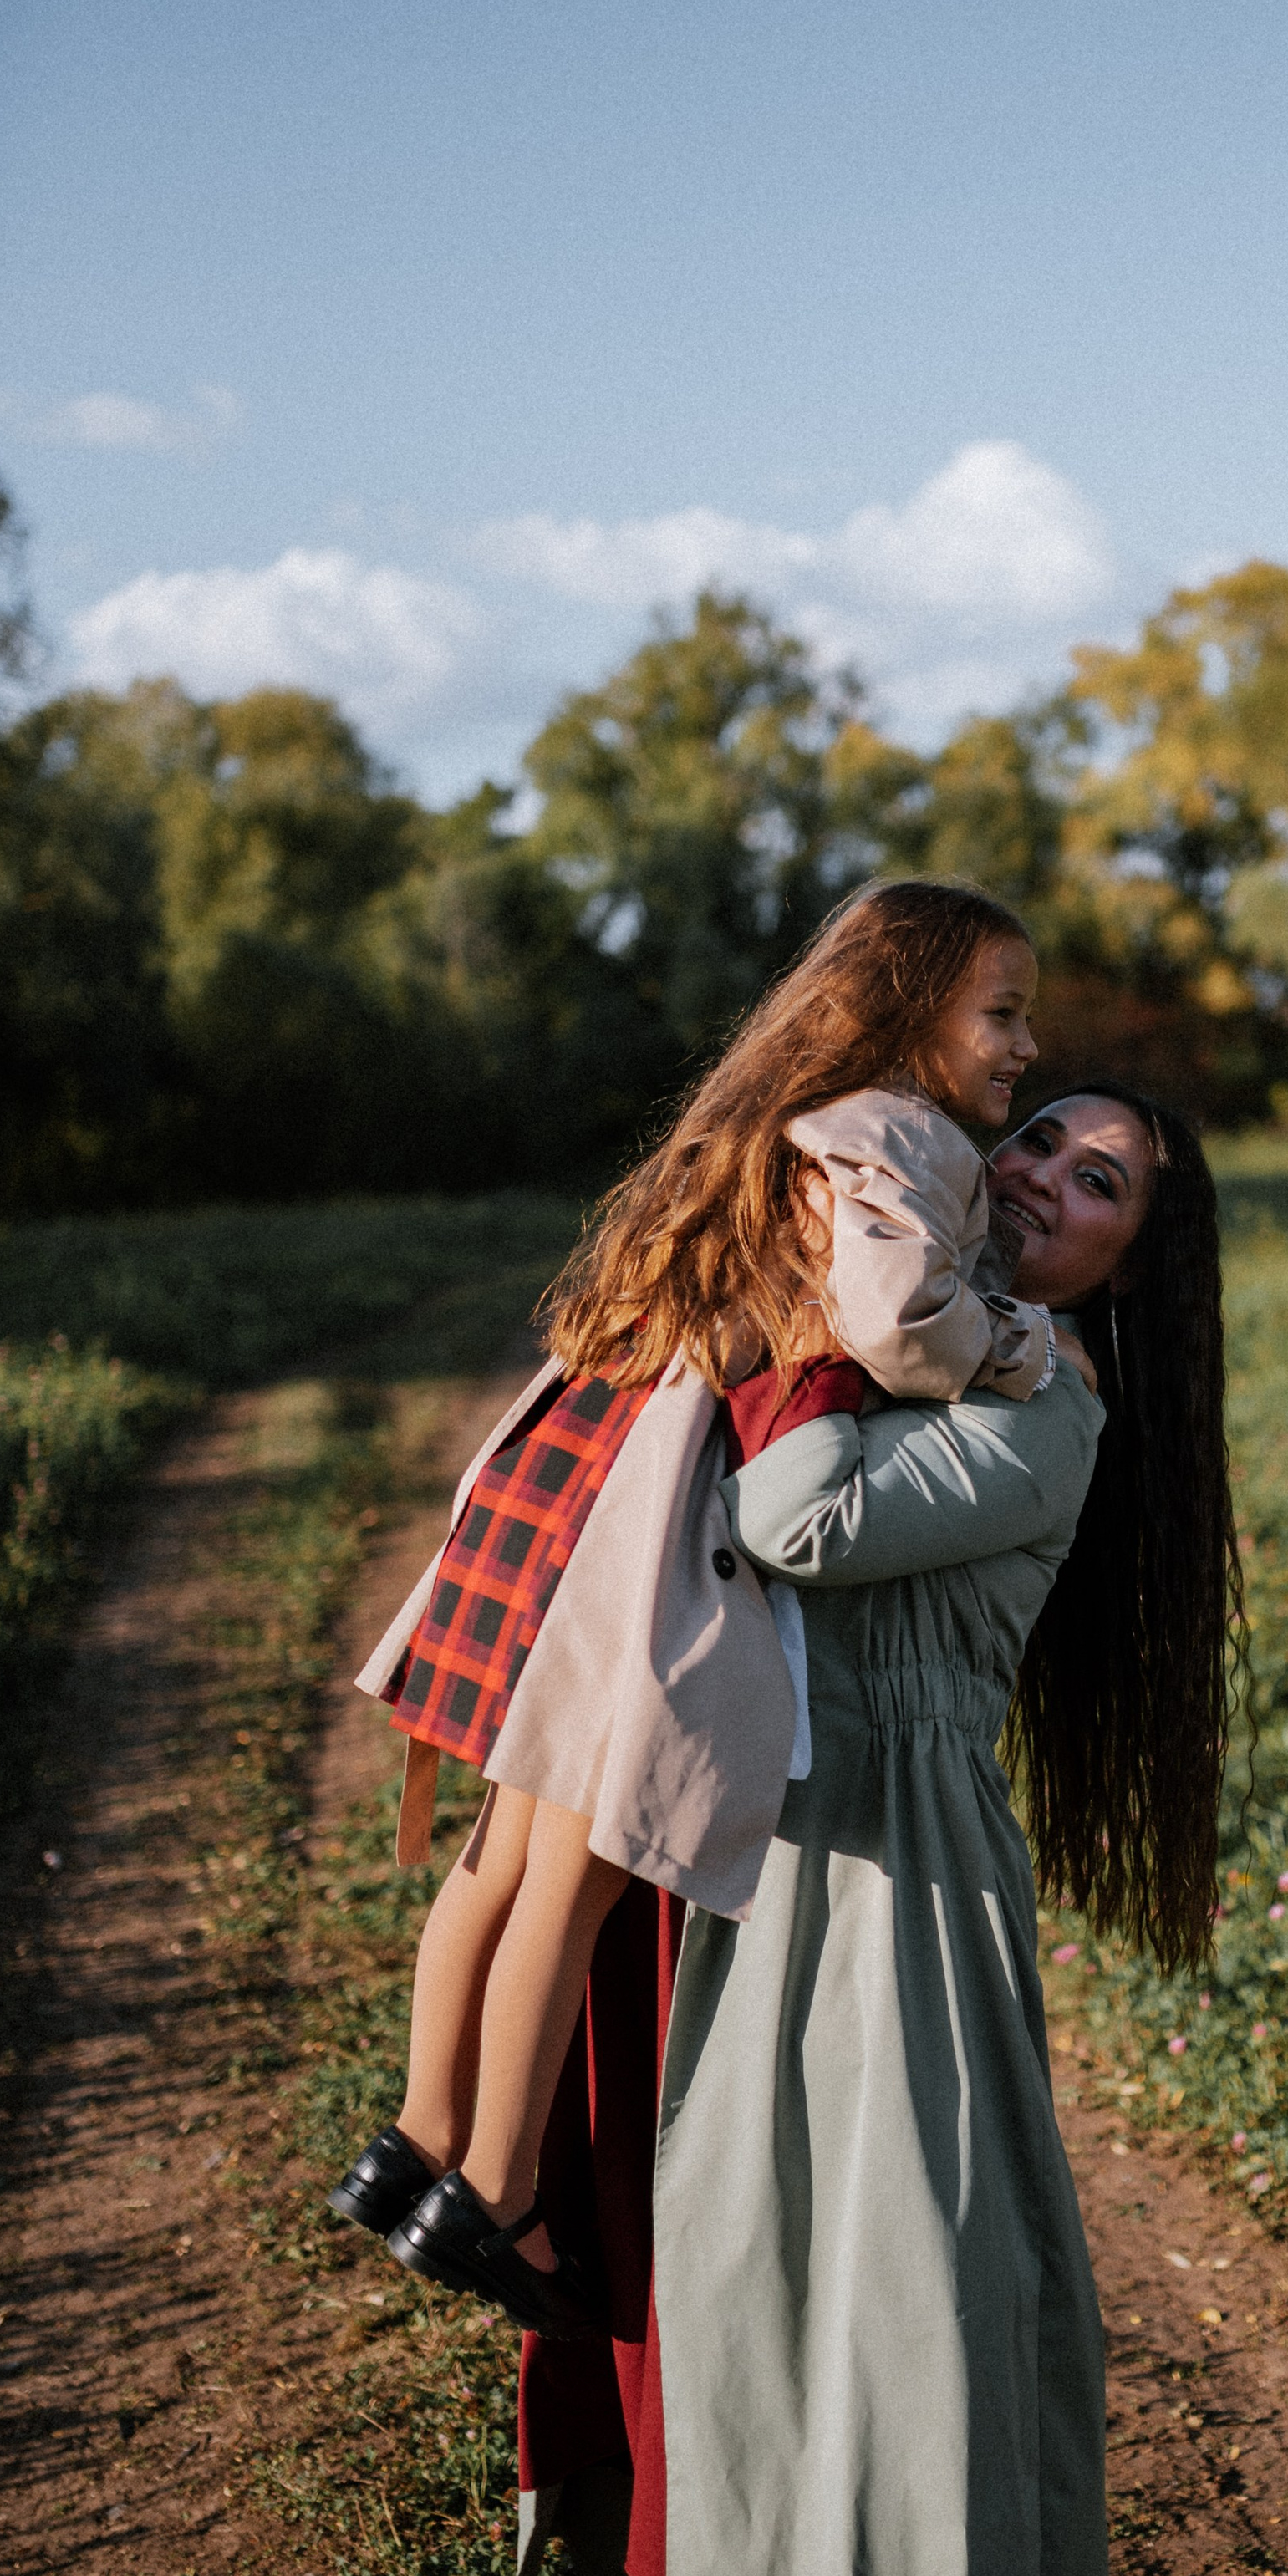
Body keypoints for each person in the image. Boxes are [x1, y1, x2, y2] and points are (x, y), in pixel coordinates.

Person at [654, 1084, 1241, 2576]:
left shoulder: (1050, 1397)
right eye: (1037, 1136)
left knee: (930, 2318)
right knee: (747, 2274)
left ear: (1125, 1263)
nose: (1042, 1180)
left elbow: (789, 1513)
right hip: (777, 1841)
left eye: (1099, 1185)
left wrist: (829, 1319)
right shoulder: (934, 1337)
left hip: (908, 1869)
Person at [326, 881, 1065, 2336]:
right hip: (644, 1516)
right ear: (906, 1014)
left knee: (501, 1846)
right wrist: (1021, 1345)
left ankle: (413, 2135)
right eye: (1005, 1010)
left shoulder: (763, 1123)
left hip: (569, 1468)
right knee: (579, 1869)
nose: (1028, 1044)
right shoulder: (898, 1135)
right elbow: (904, 1326)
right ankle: (496, 2187)